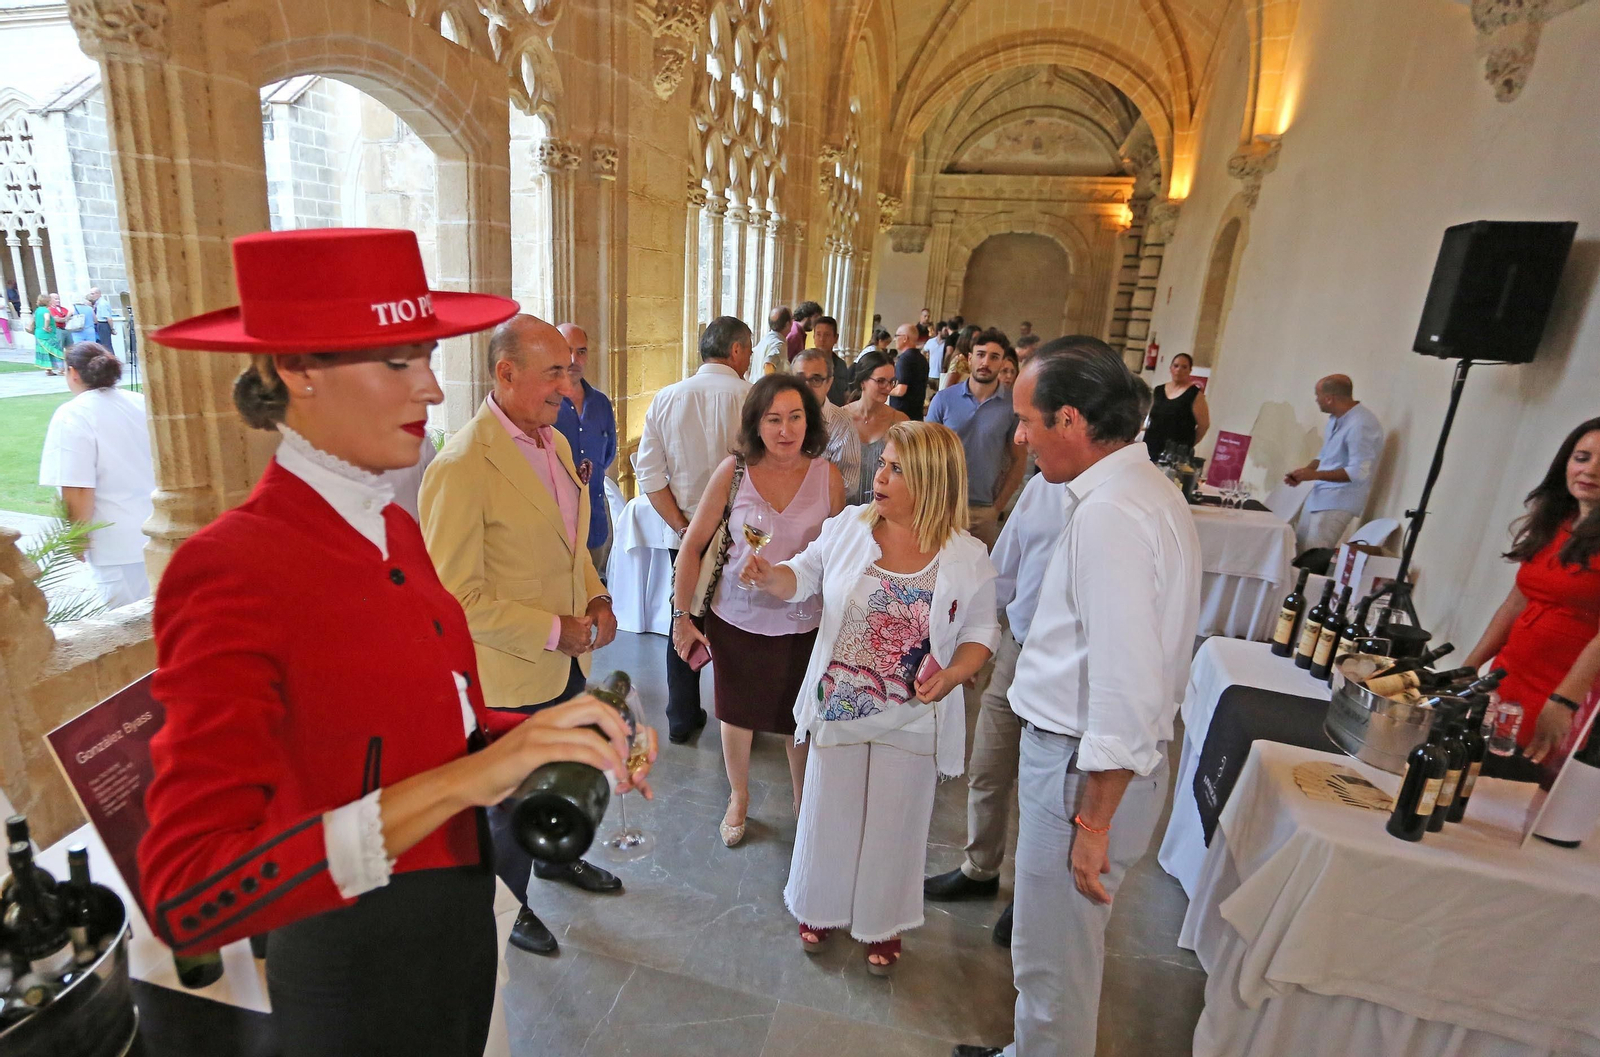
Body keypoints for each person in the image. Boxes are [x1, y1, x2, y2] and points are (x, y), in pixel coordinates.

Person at [139, 228, 650, 1057]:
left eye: (427, 356)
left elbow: (427, 720)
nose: (433, 389)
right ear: (299, 371)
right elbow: (189, 891)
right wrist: (470, 776)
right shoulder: (230, 567)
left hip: (457, 927)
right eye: (398, 361)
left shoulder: (390, 526)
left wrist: (544, 738)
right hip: (360, 971)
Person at [954, 337, 1199, 1057]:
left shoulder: (1110, 514)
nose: (1020, 438)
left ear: (1071, 418)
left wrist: (1093, 822)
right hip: (1085, 762)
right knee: (1049, 940)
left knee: (1054, 954)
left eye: (1028, 421)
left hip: (1078, 767)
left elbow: (1125, 678)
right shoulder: (1143, 489)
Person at [742, 420, 999, 976]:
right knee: (828, 811)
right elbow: (801, 576)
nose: (879, 476)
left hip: (912, 715)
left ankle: (881, 922)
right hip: (840, 705)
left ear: (931, 481)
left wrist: (956, 672)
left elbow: (983, 632)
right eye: (882, 463)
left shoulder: (966, 555)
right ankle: (820, 905)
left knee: (897, 823)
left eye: (896, 469)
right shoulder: (850, 527)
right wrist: (769, 577)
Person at [420, 314, 624, 958]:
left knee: (564, 773)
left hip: (564, 665)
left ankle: (561, 860)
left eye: (570, 369)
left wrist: (596, 595)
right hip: (510, 674)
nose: (569, 388)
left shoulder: (554, 443)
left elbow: (573, 547)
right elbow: (454, 600)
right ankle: (507, 907)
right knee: (508, 808)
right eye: (554, 373)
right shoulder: (461, 466)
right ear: (505, 374)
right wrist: (550, 629)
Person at [672, 375, 846, 847]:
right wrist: (681, 616)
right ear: (757, 422)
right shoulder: (734, 472)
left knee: (799, 717)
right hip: (738, 619)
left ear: (808, 422)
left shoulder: (826, 476)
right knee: (737, 713)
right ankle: (739, 797)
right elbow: (692, 547)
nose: (785, 430)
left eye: (795, 417)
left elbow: (839, 556)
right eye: (773, 419)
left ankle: (802, 800)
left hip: (803, 622)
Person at [924, 468, 1068, 944]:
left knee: (1043, 787)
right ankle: (980, 867)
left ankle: (1029, 898)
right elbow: (1002, 570)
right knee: (987, 766)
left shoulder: (1119, 503)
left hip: (1070, 666)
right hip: (1017, 648)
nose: (1024, 434)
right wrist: (979, 643)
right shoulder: (1043, 487)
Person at [636, 315, 753, 742]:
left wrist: (684, 527)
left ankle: (682, 717)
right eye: (749, 350)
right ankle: (739, 719)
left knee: (682, 617)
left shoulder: (666, 398)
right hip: (743, 537)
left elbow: (649, 475)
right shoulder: (754, 397)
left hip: (683, 535)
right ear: (736, 350)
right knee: (738, 625)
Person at [1463, 418, 1600, 762]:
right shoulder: (1557, 520)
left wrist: (1565, 700)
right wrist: (1472, 665)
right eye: (1582, 457)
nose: (1591, 471)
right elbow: (1516, 600)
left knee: (1522, 789)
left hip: (1565, 687)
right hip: (1510, 673)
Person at [38, 342, 155, 608]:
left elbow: (77, 487)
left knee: (132, 627)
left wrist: (77, 540)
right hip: (157, 531)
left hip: (116, 545)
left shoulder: (72, 414)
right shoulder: (139, 403)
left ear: (73, 373)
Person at [927, 327, 1026, 548]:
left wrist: (997, 506)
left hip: (983, 509)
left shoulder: (1012, 407)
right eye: (980, 355)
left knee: (977, 578)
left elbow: (1019, 460)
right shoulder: (944, 400)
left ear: (1002, 363)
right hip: (942, 505)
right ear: (970, 359)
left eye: (994, 357)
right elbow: (924, 453)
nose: (986, 362)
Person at [1283, 374, 1383, 554]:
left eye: (1318, 395)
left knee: (1311, 559)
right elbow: (1325, 455)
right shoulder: (1335, 419)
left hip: (1338, 503)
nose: (1316, 399)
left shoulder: (1361, 424)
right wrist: (1306, 471)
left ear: (1329, 398)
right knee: (1296, 553)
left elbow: (1358, 472)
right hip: (1319, 497)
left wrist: (1315, 475)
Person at [554, 322, 619, 574]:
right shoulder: (544, 403)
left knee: (593, 600)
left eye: (581, 351)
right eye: (567, 350)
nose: (574, 359)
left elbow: (607, 453)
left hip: (594, 525)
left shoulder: (601, 403)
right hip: (555, 528)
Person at [844, 349, 908, 505]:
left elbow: (908, 471)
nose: (888, 388)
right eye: (880, 381)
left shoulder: (899, 421)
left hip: (882, 508)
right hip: (841, 509)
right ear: (862, 381)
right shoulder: (840, 418)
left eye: (891, 381)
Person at [796, 347, 861, 491]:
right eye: (799, 379)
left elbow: (848, 485)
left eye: (815, 379)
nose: (806, 386)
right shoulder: (777, 418)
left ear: (829, 384)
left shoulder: (843, 425)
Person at [1142, 352, 1210, 462]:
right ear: (1170, 368)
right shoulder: (1158, 391)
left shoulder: (1195, 395)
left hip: (1175, 453)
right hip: (1151, 447)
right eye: (1176, 366)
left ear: (1190, 370)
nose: (1179, 370)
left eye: (1184, 367)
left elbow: (1204, 426)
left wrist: (1187, 445)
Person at [889, 322, 930, 421]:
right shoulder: (922, 359)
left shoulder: (904, 359)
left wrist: (884, 389)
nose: (894, 339)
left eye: (896, 336)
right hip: (916, 414)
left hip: (901, 415)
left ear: (905, 338)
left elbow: (900, 390)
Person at [810, 314, 852, 407]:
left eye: (827, 335)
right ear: (813, 337)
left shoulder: (841, 365)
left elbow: (845, 393)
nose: (822, 339)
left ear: (835, 338)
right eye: (818, 334)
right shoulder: (805, 363)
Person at [751, 306, 791, 382]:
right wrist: (769, 387)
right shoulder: (778, 344)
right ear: (788, 324)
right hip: (767, 390)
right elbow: (769, 363)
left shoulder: (765, 340)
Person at [32, 294, 63, 374]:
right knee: (56, 350)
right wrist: (46, 327)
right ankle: (62, 369)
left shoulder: (38, 310)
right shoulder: (45, 310)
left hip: (38, 333)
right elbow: (47, 319)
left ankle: (48, 370)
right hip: (46, 334)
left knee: (44, 351)